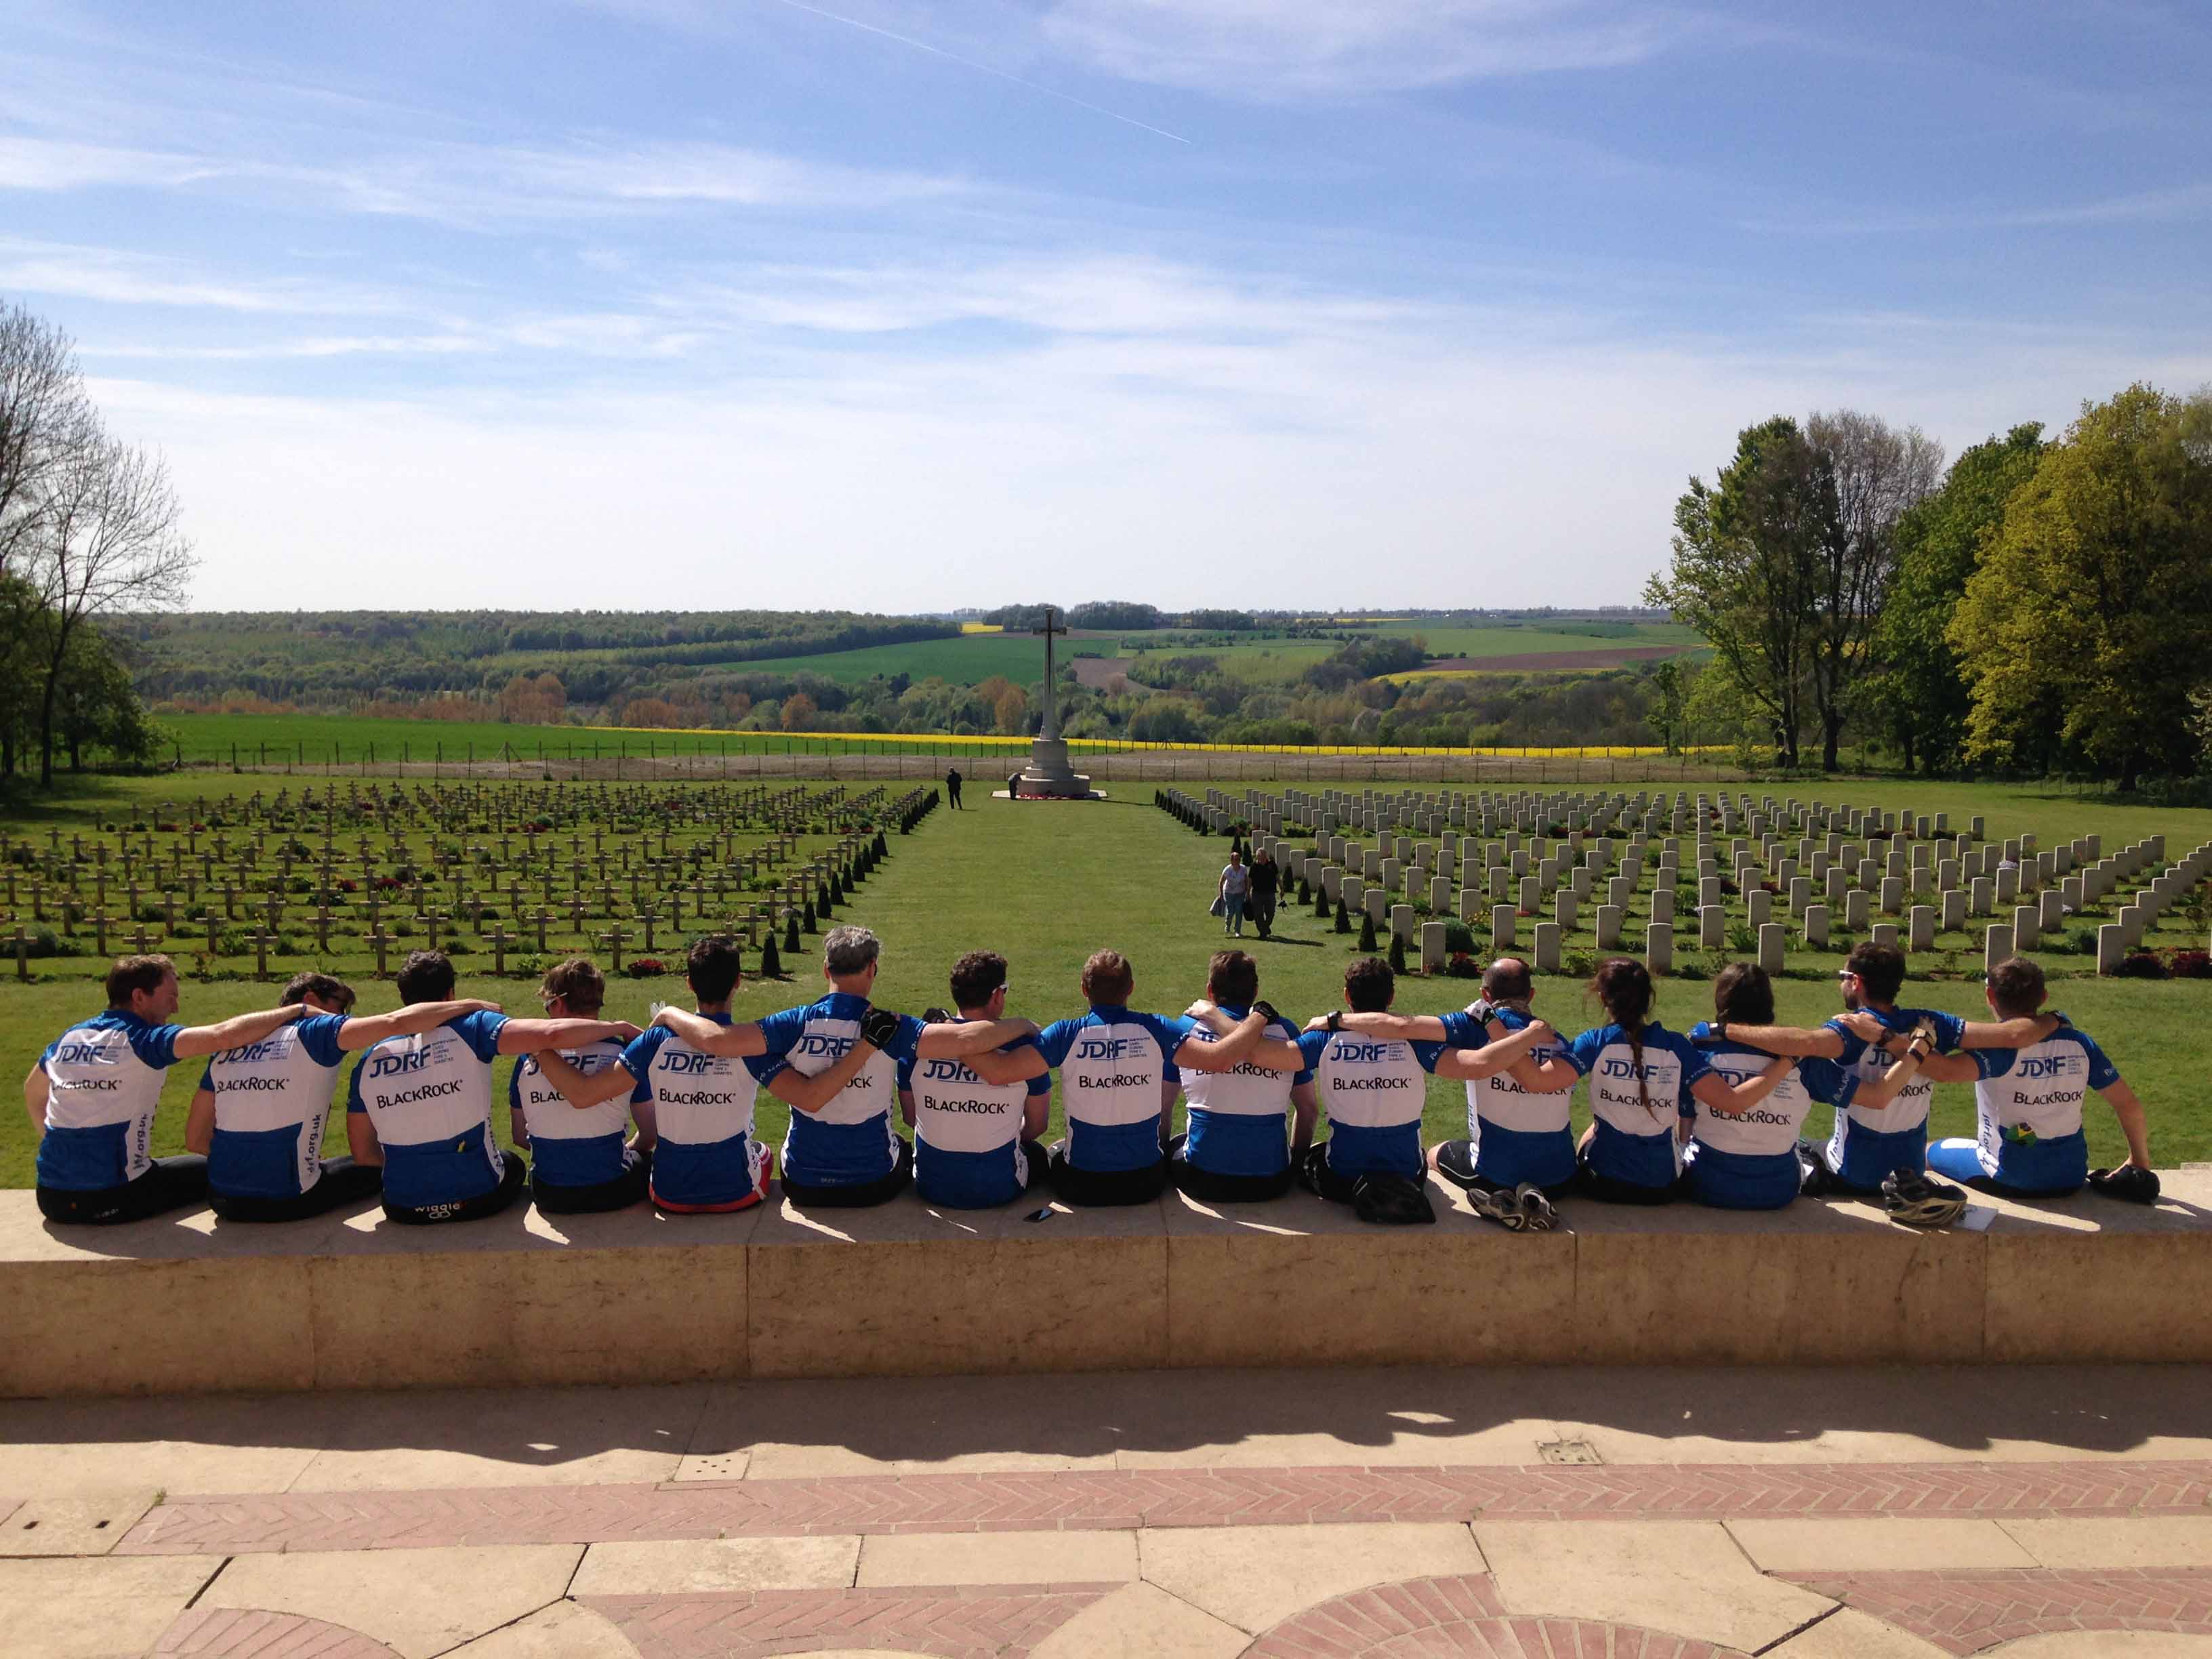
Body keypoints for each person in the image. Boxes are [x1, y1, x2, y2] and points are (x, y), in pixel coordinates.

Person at [651, 925, 1035, 1208]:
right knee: (903, 1146)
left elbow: (717, 1040)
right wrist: (1024, 1025)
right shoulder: (893, 1028)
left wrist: (669, 1012)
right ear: (872, 969)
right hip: (873, 1184)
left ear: (825, 970)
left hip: (802, 1182)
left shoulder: (793, 1023)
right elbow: (969, 1040)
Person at [533, 935, 876, 1214]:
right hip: (737, 1194)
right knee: (764, 1152)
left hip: (669, 1194)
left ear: (689, 983)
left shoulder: (655, 1040)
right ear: (739, 982)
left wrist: (540, 1047)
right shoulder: (750, 1048)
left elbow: (584, 1094)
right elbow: (808, 1098)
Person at [1698, 942, 2063, 1194]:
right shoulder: (1931, 1023)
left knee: (1805, 1144)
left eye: (1845, 975)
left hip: (1856, 1173)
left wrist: (1723, 1029)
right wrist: (2053, 1020)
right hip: (1910, 1168)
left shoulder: (1851, 1028)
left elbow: (1805, 1044)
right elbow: (2013, 1034)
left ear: (1856, 983)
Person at [346, 949, 640, 1226]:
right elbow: (548, 1035)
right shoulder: (475, 1027)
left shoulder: (368, 1059)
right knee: (511, 1165)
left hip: (401, 1207)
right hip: (479, 1199)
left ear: (402, 996)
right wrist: (620, 1029)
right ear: (451, 993)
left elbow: (364, 1155)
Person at [1487, 958, 1807, 1205]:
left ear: (1602, 997)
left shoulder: (1594, 1042)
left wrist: (1500, 1032)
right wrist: (1786, 1062)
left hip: (1603, 1183)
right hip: (1661, 1186)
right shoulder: (1677, 1046)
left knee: (1595, 1130)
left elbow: (1537, 1081)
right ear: (1648, 997)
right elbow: (1733, 1102)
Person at [183, 971, 498, 1223]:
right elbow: (396, 1023)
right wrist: (470, 1006)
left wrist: (252, 1162)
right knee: (378, 1168)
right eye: (340, 1008)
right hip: (289, 1200)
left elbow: (196, 1140)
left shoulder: (231, 1048)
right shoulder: (318, 1032)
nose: (344, 1018)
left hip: (223, 1201)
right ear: (310, 1000)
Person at [27, 955, 313, 1226]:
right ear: (139, 997)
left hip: (51, 1197)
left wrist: (60, 1150)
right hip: (113, 1197)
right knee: (226, 1175)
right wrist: (295, 1011)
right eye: (171, 997)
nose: (175, 1008)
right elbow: (224, 1036)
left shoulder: (70, 1038)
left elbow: (33, 1092)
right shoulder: (145, 1040)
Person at [1285, 956, 1557, 1213]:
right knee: (1427, 1155)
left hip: (1341, 1180)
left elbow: (1270, 1057)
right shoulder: (1417, 1042)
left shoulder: (1322, 1040)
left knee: (1316, 1155)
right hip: (1408, 1177)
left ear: (1347, 995)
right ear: (1391, 997)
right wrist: (1532, 1034)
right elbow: (1475, 1064)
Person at [1015, 948, 1278, 1206]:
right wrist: (1259, 1017)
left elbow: (1000, 1070)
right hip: (1145, 1184)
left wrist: (1013, 1026)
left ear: (1084, 989)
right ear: (1131, 988)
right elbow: (1220, 1059)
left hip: (1080, 1186)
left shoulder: (1064, 1033)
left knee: (1051, 1153)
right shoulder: (1157, 1028)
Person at [1683, 964, 1933, 1210]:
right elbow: (1879, 1097)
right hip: (1778, 1189)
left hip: (1707, 1186)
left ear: (1721, 1002)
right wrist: (1918, 1050)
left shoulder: (1698, 1052)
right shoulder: (1806, 1061)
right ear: (1769, 1005)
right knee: (1802, 1147)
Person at [1917, 956, 2155, 1200]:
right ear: (2044, 997)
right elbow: (2128, 1104)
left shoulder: (1997, 1049)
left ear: (1990, 996)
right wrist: (2138, 1160)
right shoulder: (2081, 1043)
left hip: (2010, 1178)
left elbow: (1944, 1071)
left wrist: (1898, 1044)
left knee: (1930, 1152)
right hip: (2071, 1175)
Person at [896, 950, 1052, 1208]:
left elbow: (911, 1118)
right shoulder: (1026, 1048)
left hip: (932, 1185)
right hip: (999, 1188)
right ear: (997, 995)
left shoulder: (917, 1046)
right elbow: (1037, 1127)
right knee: (1037, 1154)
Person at [507, 958, 656, 1215]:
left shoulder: (528, 1057)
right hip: (614, 1190)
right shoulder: (623, 1054)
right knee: (654, 1162)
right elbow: (650, 1135)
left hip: (549, 1194)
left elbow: (521, 1137)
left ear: (559, 1004)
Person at [1171, 950, 1316, 1202]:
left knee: (1176, 1143)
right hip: (1272, 1180)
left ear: (1210, 990)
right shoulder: (1286, 1031)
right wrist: (1295, 1163)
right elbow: (1309, 1110)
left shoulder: (1185, 1028)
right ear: (1255, 990)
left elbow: (1163, 1106)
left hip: (1203, 1180)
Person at [1429, 958, 1578, 1198]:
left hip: (1494, 1177)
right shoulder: (1559, 1040)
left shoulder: (1476, 1029)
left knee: (1434, 1154)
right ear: (1531, 995)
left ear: (1485, 995)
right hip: (1559, 1179)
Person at [1246, 847, 1279, 940]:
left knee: (1271, 913)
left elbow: (1277, 877)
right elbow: (1250, 880)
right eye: (1260, 857)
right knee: (1258, 914)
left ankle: (1265, 927)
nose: (1262, 859)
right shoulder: (1254, 866)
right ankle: (1263, 933)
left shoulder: (1272, 865)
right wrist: (1248, 892)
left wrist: (1282, 888)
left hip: (1270, 893)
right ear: (1257, 857)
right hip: (1257, 894)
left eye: (1263, 857)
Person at [1217, 848, 1249, 937]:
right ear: (1232, 861)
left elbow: (1246, 881)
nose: (1238, 861)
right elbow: (1221, 882)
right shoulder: (1228, 870)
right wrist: (1220, 894)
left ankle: (1237, 931)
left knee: (1239, 910)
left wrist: (1247, 892)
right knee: (1231, 911)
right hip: (1229, 892)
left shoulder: (1243, 869)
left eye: (1239, 859)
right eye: (1236, 859)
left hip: (1240, 893)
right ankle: (1228, 925)